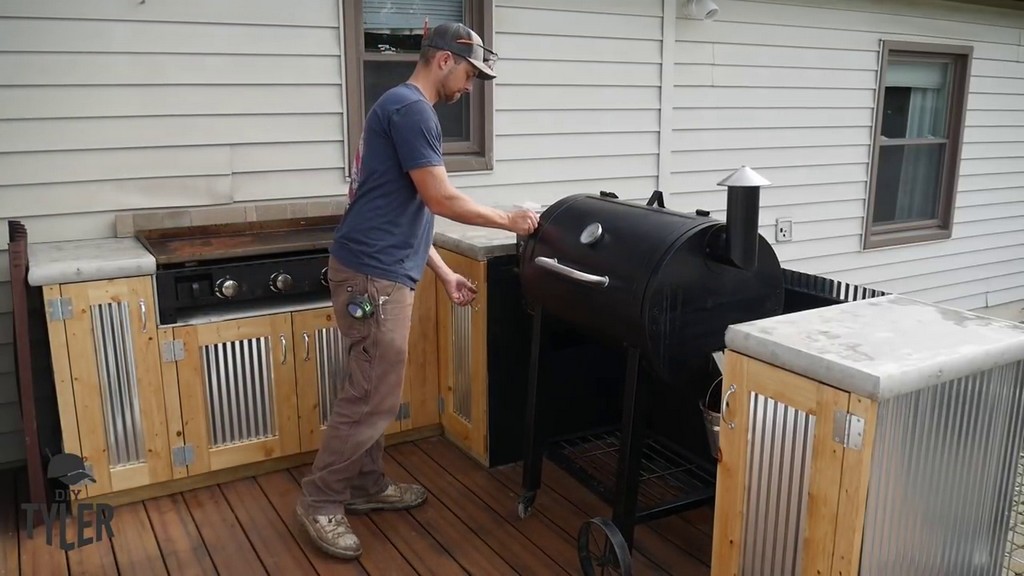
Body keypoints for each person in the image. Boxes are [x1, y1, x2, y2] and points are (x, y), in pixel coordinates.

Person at [295, 21, 539, 560]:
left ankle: (364, 486)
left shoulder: (400, 107)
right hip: (372, 278)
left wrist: (445, 272)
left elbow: (406, 208)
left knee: (370, 386)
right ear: (445, 60)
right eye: (471, 74)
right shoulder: (412, 111)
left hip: (376, 269)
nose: (471, 86)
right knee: (370, 396)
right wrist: (511, 220)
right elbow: (440, 198)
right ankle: (321, 502)